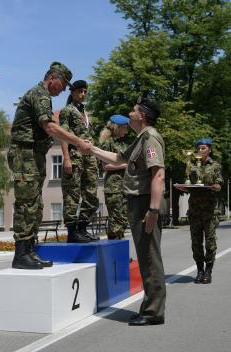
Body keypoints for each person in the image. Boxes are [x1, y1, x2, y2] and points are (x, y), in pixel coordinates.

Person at [7, 62, 91, 270]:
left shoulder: (44, 96)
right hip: (24, 154)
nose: (64, 89)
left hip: (33, 155)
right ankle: (21, 254)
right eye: (63, 84)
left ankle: (29, 250)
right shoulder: (40, 94)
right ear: (52, 78)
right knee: (27, 203)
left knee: (35, 204)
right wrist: (77, 141)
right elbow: (50, 127)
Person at [90, 97, 166, 326]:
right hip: (138, 202)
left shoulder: (150, 138)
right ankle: (148, 307)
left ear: (142, 115)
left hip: (145, 204)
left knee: (150, 259)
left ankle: (153, 312)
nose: (130, 113)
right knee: (145, 258)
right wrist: (91, 148)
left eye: (134, 110)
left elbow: (158, 175)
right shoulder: (141, 138)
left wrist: (152, 210)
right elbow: (118, 158)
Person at [175, 138, 223, 284]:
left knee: (210, 242)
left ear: (209, 149)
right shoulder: (191, 164)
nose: (200, 151)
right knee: (196, 242)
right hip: (195, 210)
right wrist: (181, 187)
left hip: (209, 210)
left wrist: (215, 187)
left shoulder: (215, 165)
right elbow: (189, 185)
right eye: (199, 148)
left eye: (203, 148)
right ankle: (199, 271)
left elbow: (219, 185)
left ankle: (208, 271)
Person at [59, 80, 99, 243]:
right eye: (79, 91)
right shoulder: (67, 111)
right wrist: (66, 158)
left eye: (85, 91)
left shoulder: (84, 112)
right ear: (72, 92)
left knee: (91, 193)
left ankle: (82, 228)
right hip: (74, 157)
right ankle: (72, 231)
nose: (83, 94)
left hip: (89, 157)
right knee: (72, 195)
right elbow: (62, 135)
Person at [99, 114, 129, 240]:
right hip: (114, 188)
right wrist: (125, 166)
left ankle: (120, 252)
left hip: (125, 186)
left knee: (123, 220)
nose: (126, 131)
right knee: (116, 220)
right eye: (124, 128)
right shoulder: (107, 143)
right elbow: (105, 166)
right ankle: (115, 252)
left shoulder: (122, 144)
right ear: (117, 127)